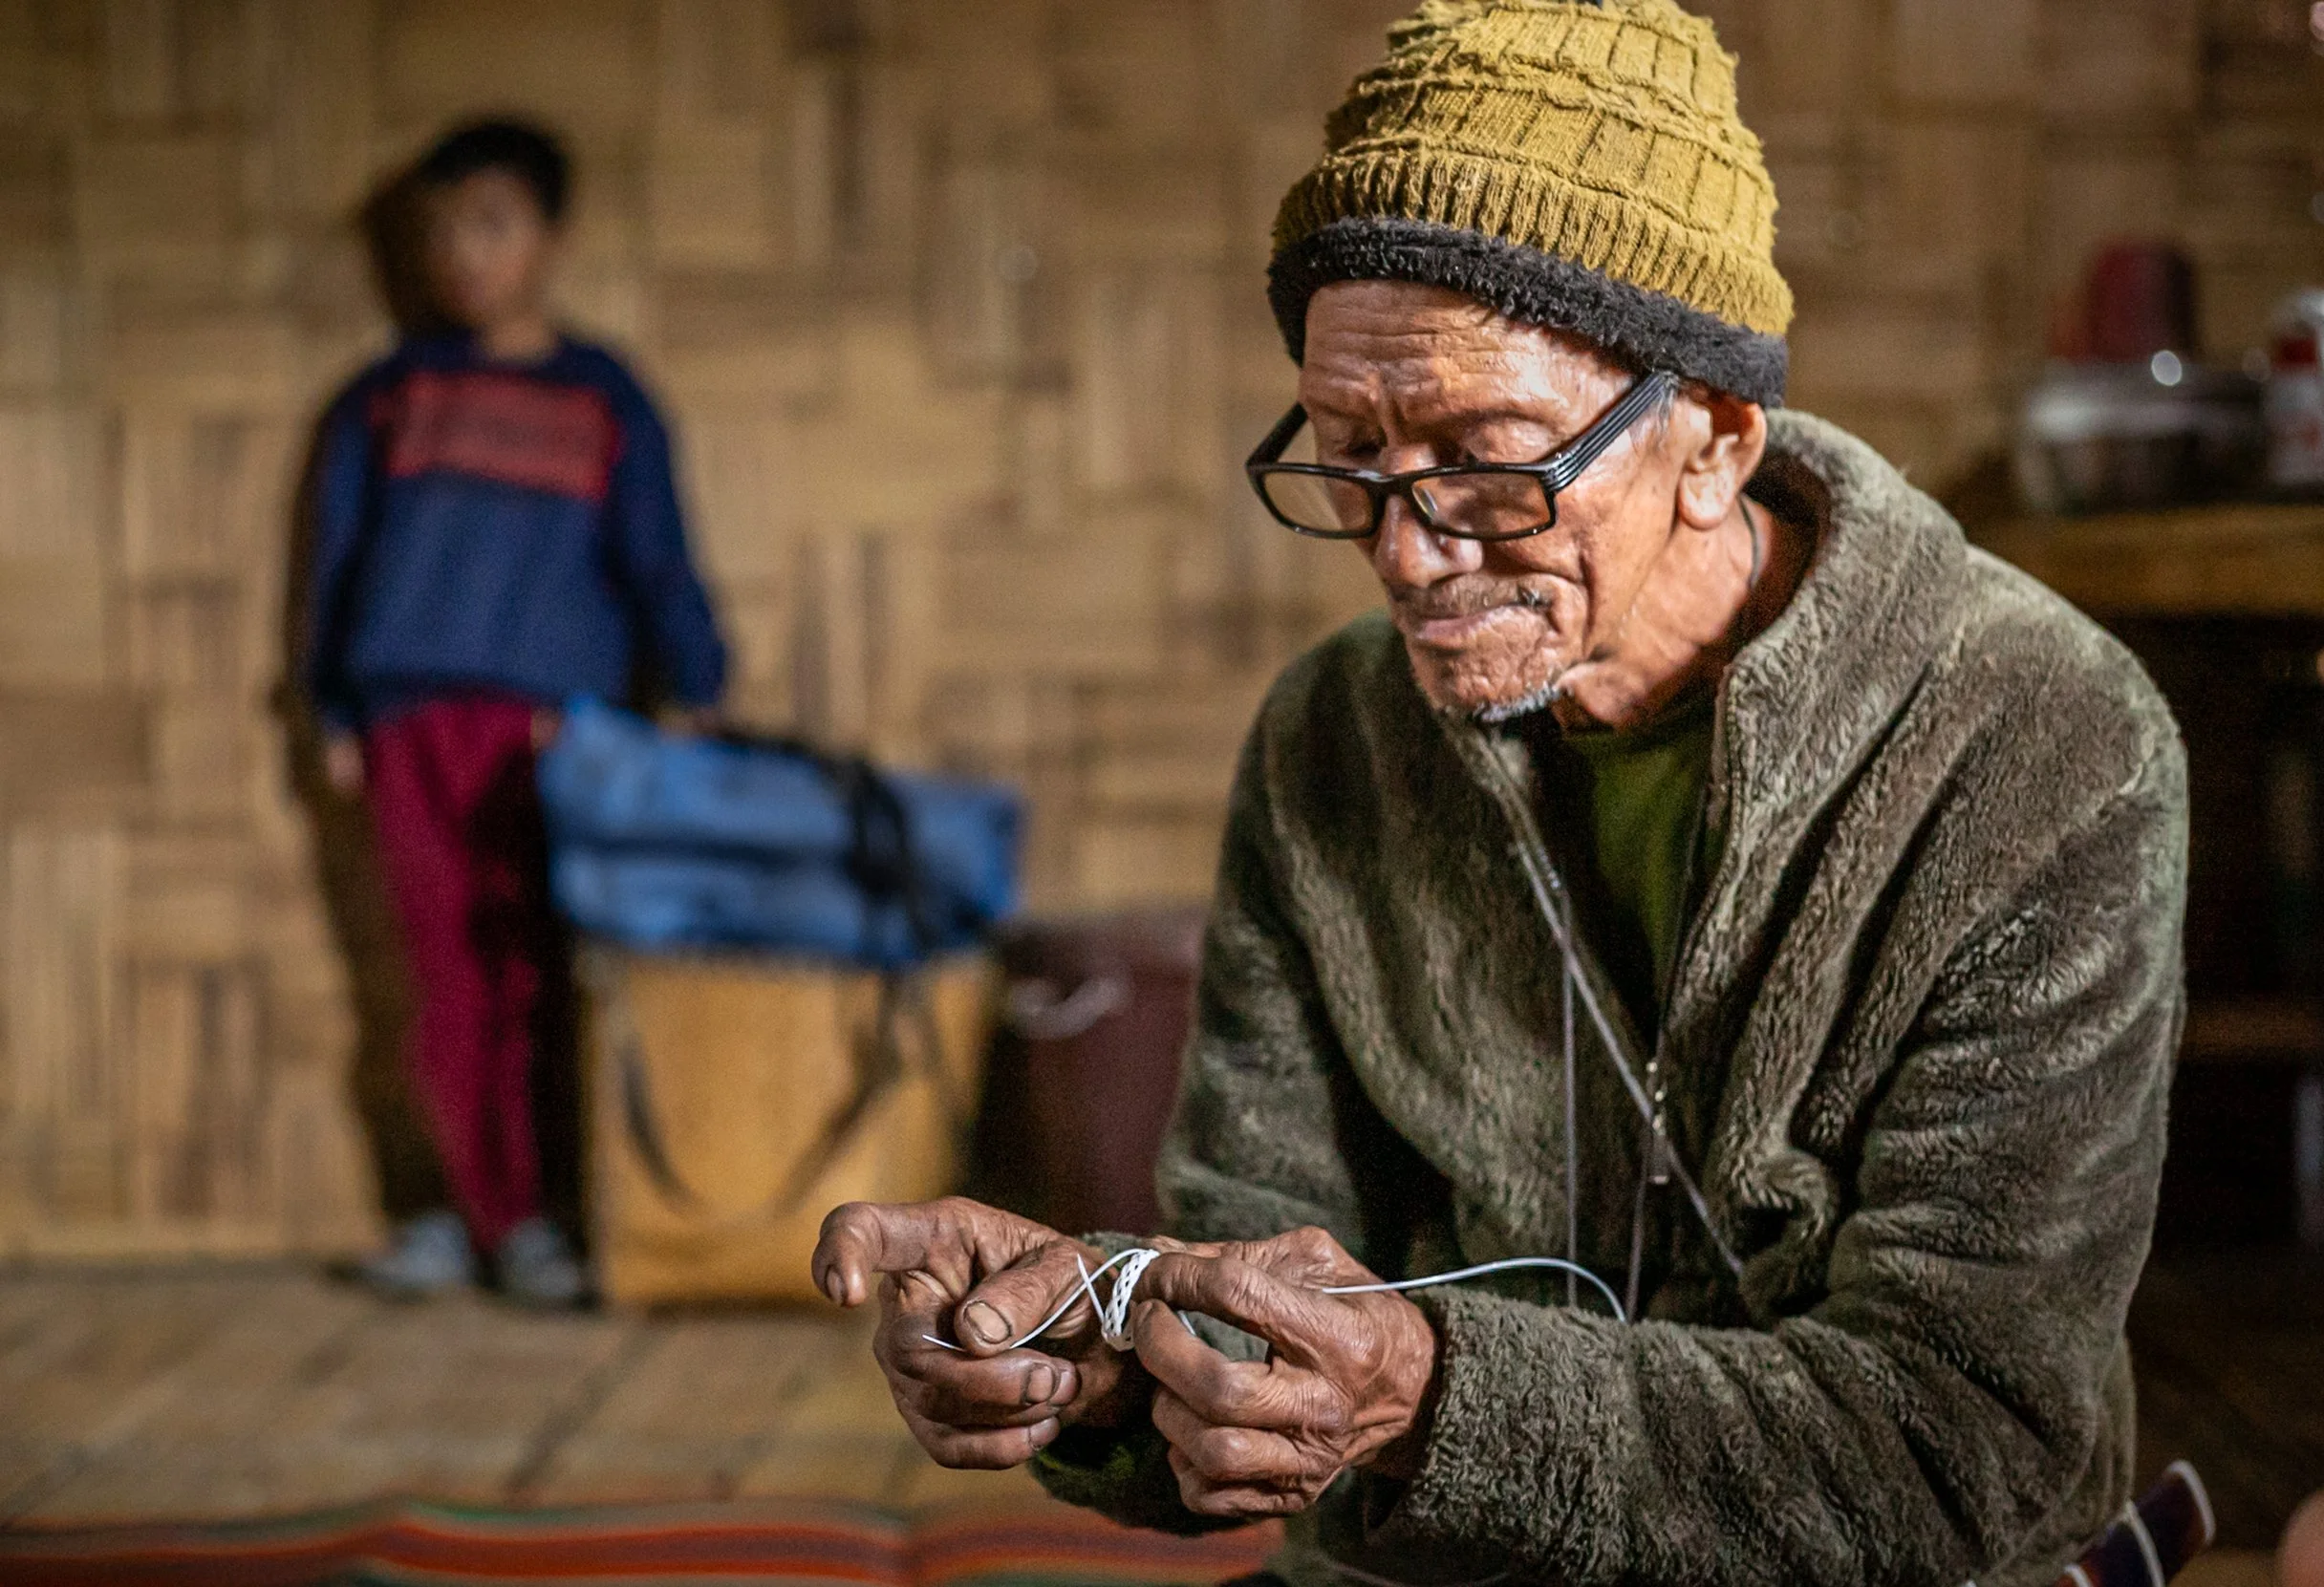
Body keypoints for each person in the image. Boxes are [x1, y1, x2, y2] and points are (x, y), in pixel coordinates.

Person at [814, 3, 2190, 1584]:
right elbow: (1264, 1260)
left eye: (1490, 460)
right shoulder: (1335, 738)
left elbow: (1960, 1438)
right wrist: (1101, 1341)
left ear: (1712, 441)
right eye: (1352, 457)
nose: (1409, 552)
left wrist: (1435, 1401)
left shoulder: (2039, 745)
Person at [306, 118, 728, 1307]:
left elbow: (658, 558)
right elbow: (335, 562)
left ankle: (541, 1219)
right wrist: (333, 705)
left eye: (490, 224)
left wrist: (693, 685)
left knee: (537, 972)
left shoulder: (605, 397)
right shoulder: (388, 397)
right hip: (406, 725)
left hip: (554, 736)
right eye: (442, 231)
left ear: (551, 237)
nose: (463, 254)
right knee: (442, 976)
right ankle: (458, 1215)